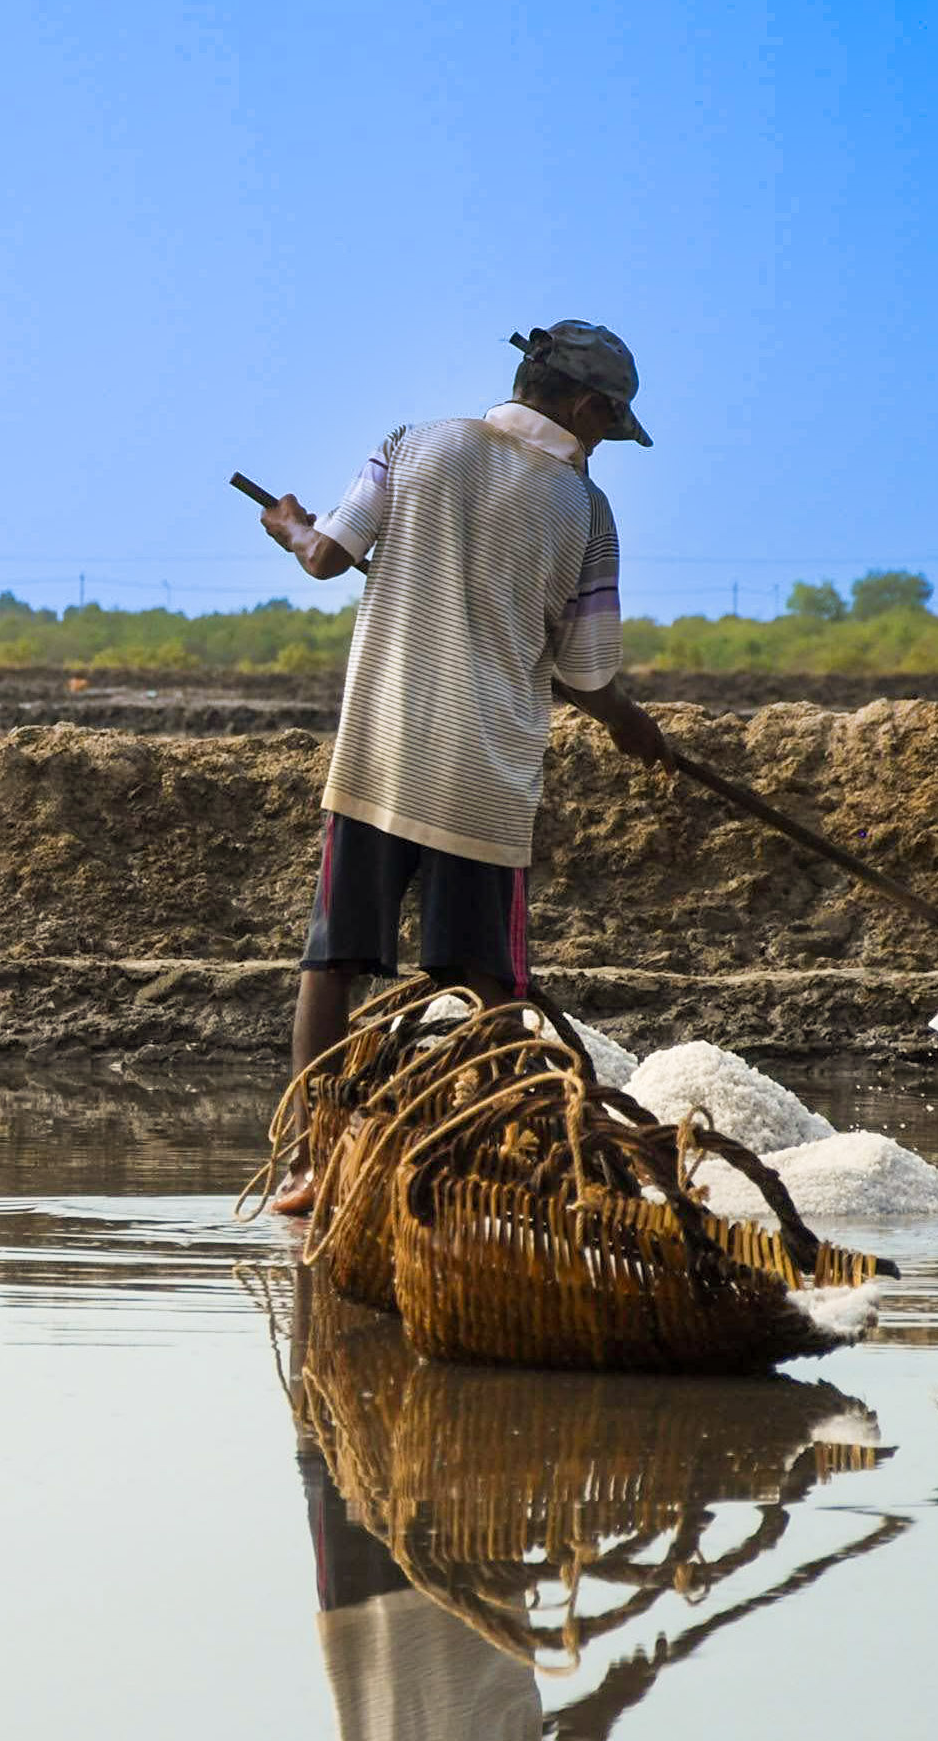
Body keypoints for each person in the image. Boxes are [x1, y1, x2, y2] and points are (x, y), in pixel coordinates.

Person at [258, 320, 671, 1214]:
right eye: (607, 425)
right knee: (489, 984)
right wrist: (631, 724)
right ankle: (531, 1168)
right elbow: (586, 671)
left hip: (381, 751)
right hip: (484, 778)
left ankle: (307, 1164)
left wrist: (290, 525)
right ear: (585, 405)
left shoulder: (414, 444)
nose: (604, 443)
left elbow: (328, 556)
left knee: (332, 964)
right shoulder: (585, 512)